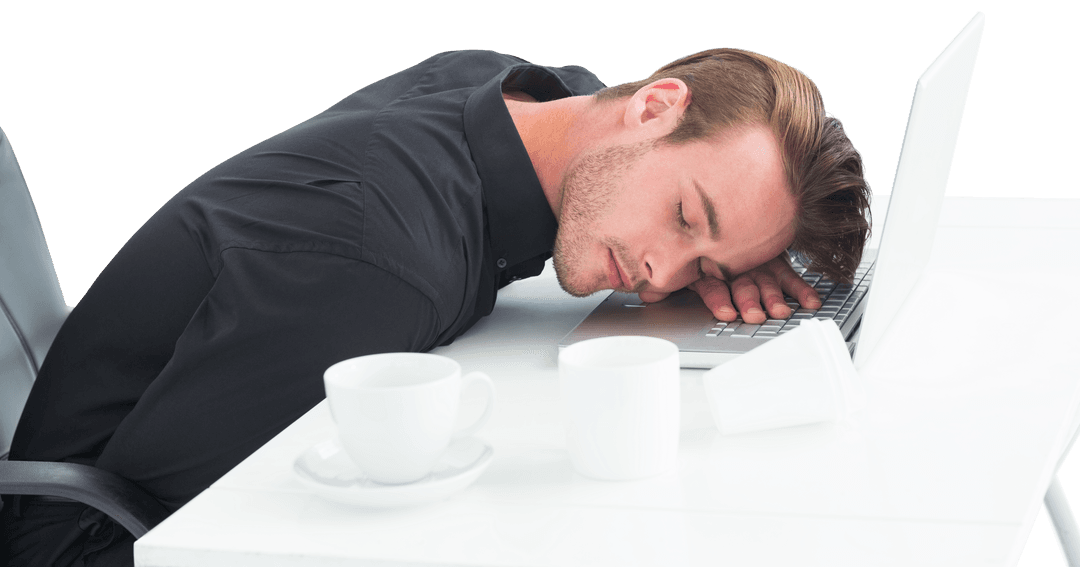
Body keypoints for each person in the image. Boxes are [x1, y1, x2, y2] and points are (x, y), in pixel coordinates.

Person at [0, 48, 870, 565]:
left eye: (699, 260)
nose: (653, 271)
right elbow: (182, 539)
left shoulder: (512, 95)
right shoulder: (382, 266)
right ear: (653, 106)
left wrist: (706, 261)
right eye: (685, 217)